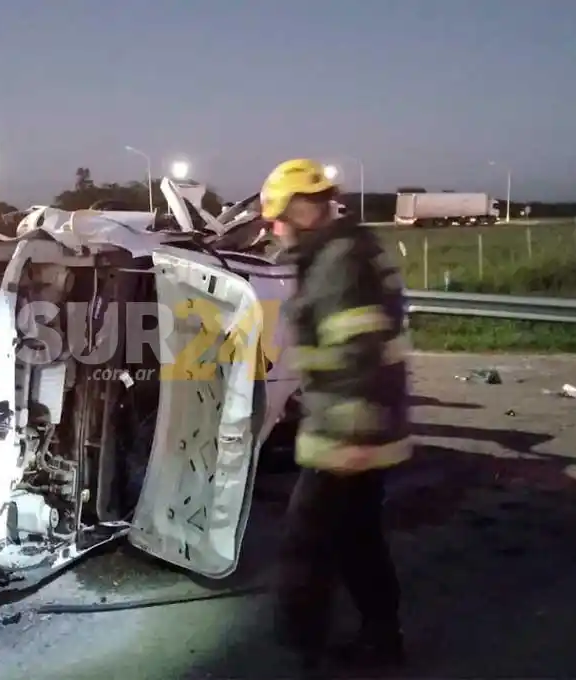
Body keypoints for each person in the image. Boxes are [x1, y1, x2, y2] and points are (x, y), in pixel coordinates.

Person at [260, 159, 410, 671]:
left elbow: (358, 351)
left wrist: (351, 436)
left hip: (347, 434)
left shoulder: (339, 262)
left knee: (305, 548)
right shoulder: (342, 251)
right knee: (358, 540)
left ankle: (301, 656)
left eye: (277, 218)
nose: (274, 230)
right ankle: (382, 641)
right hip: (363, 428)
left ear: (300, 212)